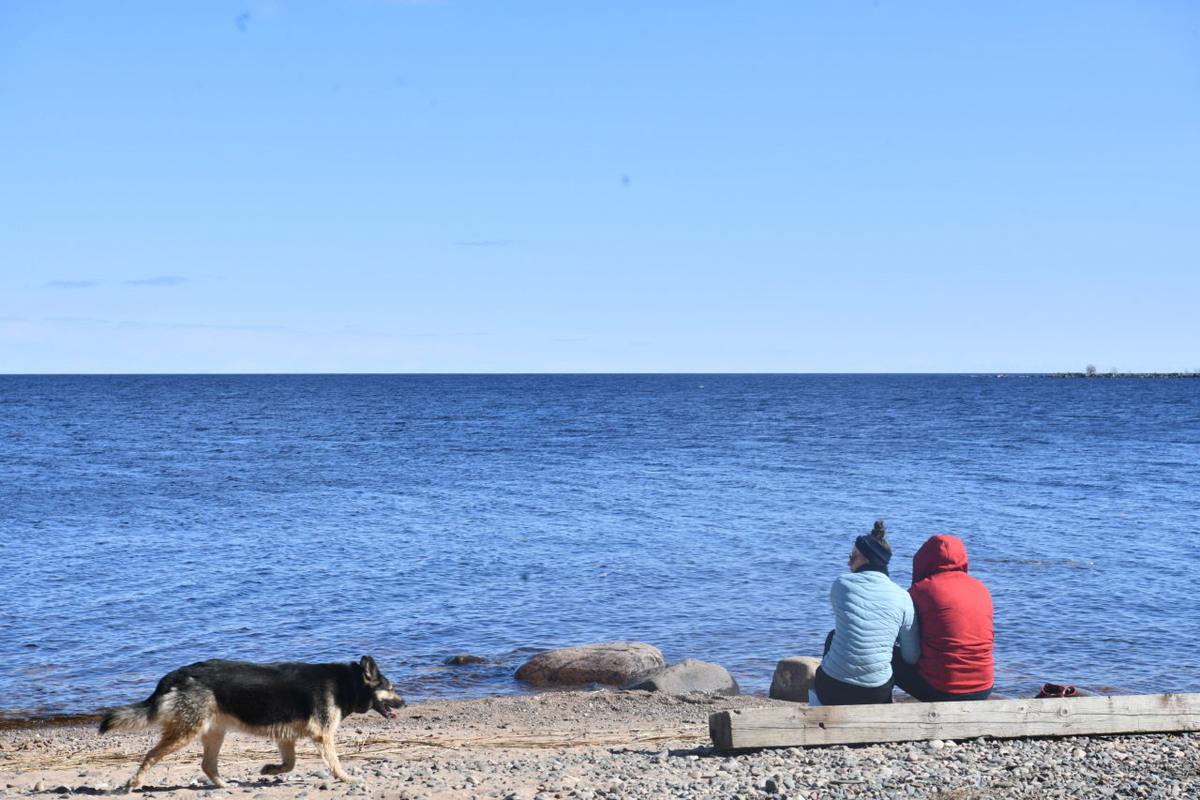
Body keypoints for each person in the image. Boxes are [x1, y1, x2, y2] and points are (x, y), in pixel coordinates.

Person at [814, 520, 920, 705]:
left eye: (852, 557)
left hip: (832, 688)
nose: (848, 562)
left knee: (833, 636)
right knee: (886, 652)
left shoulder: (841, 584)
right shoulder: (902, 597)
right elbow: (911, 657)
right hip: (874, 694)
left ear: (868, 559)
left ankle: (822, 708)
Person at [892, 534, 994, 702]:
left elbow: (898, 634)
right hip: (984, 688)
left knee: (881, 653)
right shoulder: (981, 588)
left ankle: (880, 705)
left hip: (942, 690)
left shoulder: (921, 590)